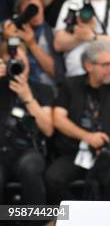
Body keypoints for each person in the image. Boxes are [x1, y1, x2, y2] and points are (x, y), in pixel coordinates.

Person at [45, 41, 110, 204]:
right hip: (74, 151)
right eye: (106, 65)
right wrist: (87, 137)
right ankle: (74, 218)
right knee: (52, 178)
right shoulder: (70, 85)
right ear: (89, 66)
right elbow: (58, 119)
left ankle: (107, 220)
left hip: (107, 154)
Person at [0, 40, 53, 205]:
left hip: (28, 150)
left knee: (30, 168)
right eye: (11, 63)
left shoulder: (42, 90)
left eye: (20, 63)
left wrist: (28, 98)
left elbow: (48, 129)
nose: (16, 68)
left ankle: (35, 222)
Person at [2, 0, 62, 85]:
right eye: (30, 10)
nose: (36, 13)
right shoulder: (10, 29)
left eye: (38, 8)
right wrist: (6, 39)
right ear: (20, 12)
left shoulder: (50, 33)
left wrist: (32, 44)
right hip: (17, 85)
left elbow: (57, 73)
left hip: (46, 90)